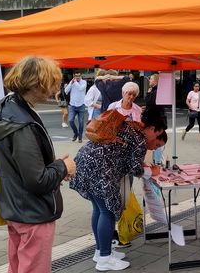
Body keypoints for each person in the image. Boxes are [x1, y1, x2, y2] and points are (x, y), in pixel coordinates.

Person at [0, 56, 76, 273]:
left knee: (17, 266)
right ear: (38, 83)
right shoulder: (22, 123)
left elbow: (23, 166)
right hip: (33, 212)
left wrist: (54, 166)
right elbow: (37, 180)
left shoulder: (7, 107)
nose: (56, 87)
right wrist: (64, 167)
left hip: (15, 206)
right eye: (54, 81)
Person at [70, 107, 167, 271]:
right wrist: (152, 171)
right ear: (151, 128)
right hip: (101, 168)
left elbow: (124, 156)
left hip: (85, 160)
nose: (154, 142)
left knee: (99, 210)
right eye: (157, 135)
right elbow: (134, 168)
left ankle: (100, 251)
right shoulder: (140, 137)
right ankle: (105, 259)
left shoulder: (130, 125)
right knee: (108, 212)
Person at [145, 74, 167, 164]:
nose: (149, 80)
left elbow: (150, 103)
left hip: (156, 120)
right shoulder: (157, 90)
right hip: (158, 120)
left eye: (151, 79)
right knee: (157, 141)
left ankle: (157, 161)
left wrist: (148, 93)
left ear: (156, 81)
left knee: (156, 141)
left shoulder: (155, 91)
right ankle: (157, 160)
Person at [65, 72, 87, 142]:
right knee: (70, 120)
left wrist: (75, 82)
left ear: (81, 76)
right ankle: (76, 133)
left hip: (81, 105)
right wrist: (71, 83)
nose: (77, 77)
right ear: (73, 76)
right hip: (72, 105)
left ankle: (80, 136)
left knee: (81, 122)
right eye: (76, 76)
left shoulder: (84, 82)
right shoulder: (72, 82)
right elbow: (66, 91)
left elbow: (80, 89)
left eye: (79, 76)